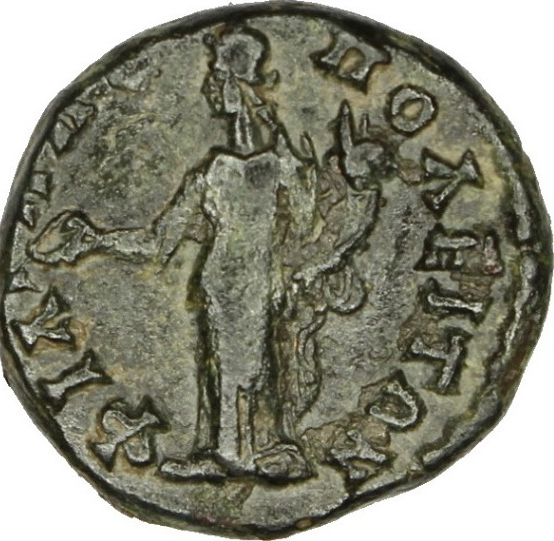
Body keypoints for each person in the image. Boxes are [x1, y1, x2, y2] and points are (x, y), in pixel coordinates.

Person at [30, 27, 384, 481]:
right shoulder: (214, 170)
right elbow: (159, 242)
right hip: (219, 286)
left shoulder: (284, 166)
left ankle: (249, 455)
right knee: (227, 373)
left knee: (248, 371)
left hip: (259, 287)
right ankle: (231, 453)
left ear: (237, 83)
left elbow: (313, 234)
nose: (210, 85)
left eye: (217, 75)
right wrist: (93, 239)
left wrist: (351, 196)